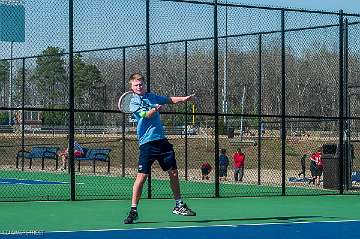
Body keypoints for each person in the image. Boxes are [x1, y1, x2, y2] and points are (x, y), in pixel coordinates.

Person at [123, 73, 196, 224]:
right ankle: (133, 210)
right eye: (136, 85)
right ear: (132, 87)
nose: (139, 87)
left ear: (144, 84)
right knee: (141, 177)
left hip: (162, 141)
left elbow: (169, 100)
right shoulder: (132, 102)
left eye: (141, 84)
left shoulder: (152, 96)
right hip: (147, 144)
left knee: (174, 173)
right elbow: (145, 115)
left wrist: (184, 99)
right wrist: (155, 109)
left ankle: (178, 205)